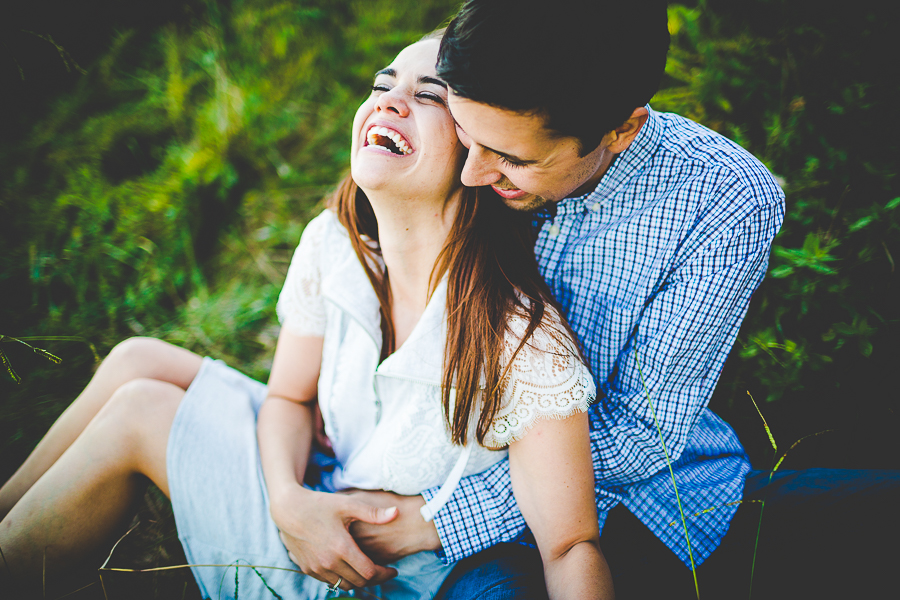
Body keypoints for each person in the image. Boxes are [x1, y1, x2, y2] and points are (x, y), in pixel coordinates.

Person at [0, 36, 614, 599]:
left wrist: (303, 510)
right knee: (140, 357)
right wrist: (289, 501)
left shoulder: (522, 342)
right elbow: (288, 398)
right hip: (314, 493)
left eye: (428, 96)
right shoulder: (335, 245)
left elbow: (568, 546)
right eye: (382, 85)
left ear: (480, 153)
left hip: (365, 572)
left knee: (140, 411)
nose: (390, 102)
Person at [338, 2, 900, 599]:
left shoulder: (721, 199)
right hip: (494, 550)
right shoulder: (456, 139)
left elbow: (643, 431)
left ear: (621, 130)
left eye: (513, 159)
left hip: (668, 502)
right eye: (467, 137)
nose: (473, 173)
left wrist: (433, 520)